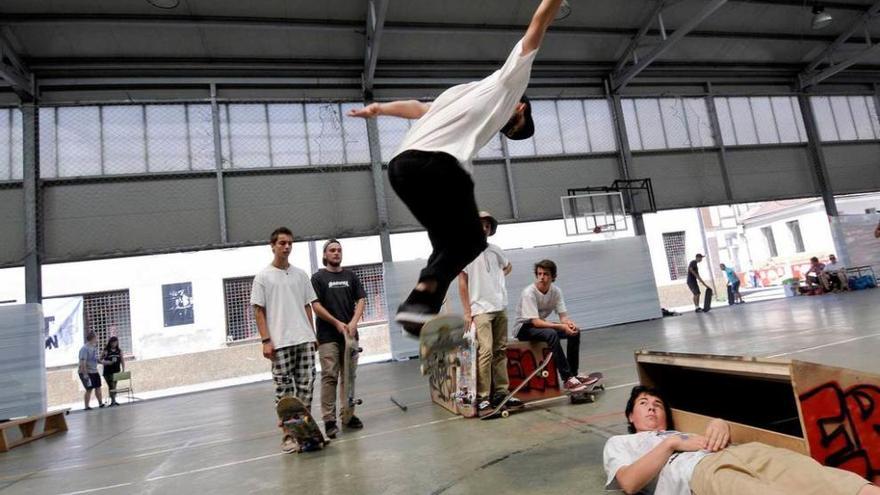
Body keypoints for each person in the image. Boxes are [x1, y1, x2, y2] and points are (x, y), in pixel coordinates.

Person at [347, 0, 566, 335]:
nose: (505, 127)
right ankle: (422, 301)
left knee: (447, 245)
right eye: (513, 126)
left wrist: (380, 109)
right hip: (439, 167)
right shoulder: (510, 84)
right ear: (521, 107)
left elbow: (418, 107)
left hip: (402, 169)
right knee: (472, 242)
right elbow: (538, 25)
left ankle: (418, 306)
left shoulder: (460, 94)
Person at [603, 385, 879, 495]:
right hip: (701, 471)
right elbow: (629, 483)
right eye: (643, 403)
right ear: (630, 416)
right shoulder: (620, 443)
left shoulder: (682, 431)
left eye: (658, 404)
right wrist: (670, 445)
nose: (651, 407)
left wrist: (720, 423)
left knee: (819, 476)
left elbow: (713, 429)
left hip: (742, 451)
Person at [251, 227, 320, 454]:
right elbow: (258, 310)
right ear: (272, 246)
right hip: (279, 343)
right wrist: (265, 340)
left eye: (290, 243)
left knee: (306, 389)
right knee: (285, 395)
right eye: (282, 243)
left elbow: (307, 305)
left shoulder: (300, 274)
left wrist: (313, 334)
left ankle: (305, 433)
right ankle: (288, 436)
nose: (287, 246)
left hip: (304, 340)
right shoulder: (263, 277)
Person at [458, 211, 521, 413]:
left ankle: (501, 392)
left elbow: (508, 266)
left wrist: (496, 279)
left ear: (490, 229)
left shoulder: (496, 250)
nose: (483, 228)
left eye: (487, 225)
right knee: (485, 351)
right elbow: (462, 283)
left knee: (500, 350)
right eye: (480, 225)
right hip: (480, 310)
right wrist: (467, 312)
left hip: (500, 306)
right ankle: (483, 397)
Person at [310, 239, 367, 438]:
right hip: (328, 336)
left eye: (339, 250)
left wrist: (353, 323)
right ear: (325, 255)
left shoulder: (351, 276)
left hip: (350, 335)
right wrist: (335, 322)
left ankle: (348, 415)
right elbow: (315, 305)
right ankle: (329, 420)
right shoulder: (318, 278)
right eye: (332, 250)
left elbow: (361, 299)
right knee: (330, 376)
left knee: (349, 377)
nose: (336, 253)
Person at [513, 259, 593, 393]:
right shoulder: (529, 293)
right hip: (523, 328)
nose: (541, 277)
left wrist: (569, 324)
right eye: (539, 274)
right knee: (551, 333)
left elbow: (563, 317)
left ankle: (573, 374)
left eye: (545, 274)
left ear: (553, 277)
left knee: (574, 332)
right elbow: (536, 322)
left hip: (539, 326)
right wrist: (561, 327)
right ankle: (567, 378)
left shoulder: (556, 292)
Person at [78, 331, 105, 410]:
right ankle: (86, 406)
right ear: (93, 338)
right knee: (89, 389)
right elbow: (83, 362)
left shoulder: (94, 347)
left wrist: (102, 362)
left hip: (94, 371)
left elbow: (95, 358)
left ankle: (100, 403)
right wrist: (85, 374)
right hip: (87, 372)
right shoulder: (84, 349)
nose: (98, 339)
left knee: (98, 387)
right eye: (96, 337)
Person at [100, 336, 124, 407]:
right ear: (110, 343)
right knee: (111, 385)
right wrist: (106, 361)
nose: (114, 344)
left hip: (116, 371)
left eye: (116, 342)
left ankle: (113, 401)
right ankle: (113, 401)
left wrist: (123, 368)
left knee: (113, 386)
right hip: (108, 371)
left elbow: (122, 360)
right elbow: (100, 360)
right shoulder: (106, 350)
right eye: (113, 342)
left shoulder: (119, 351)